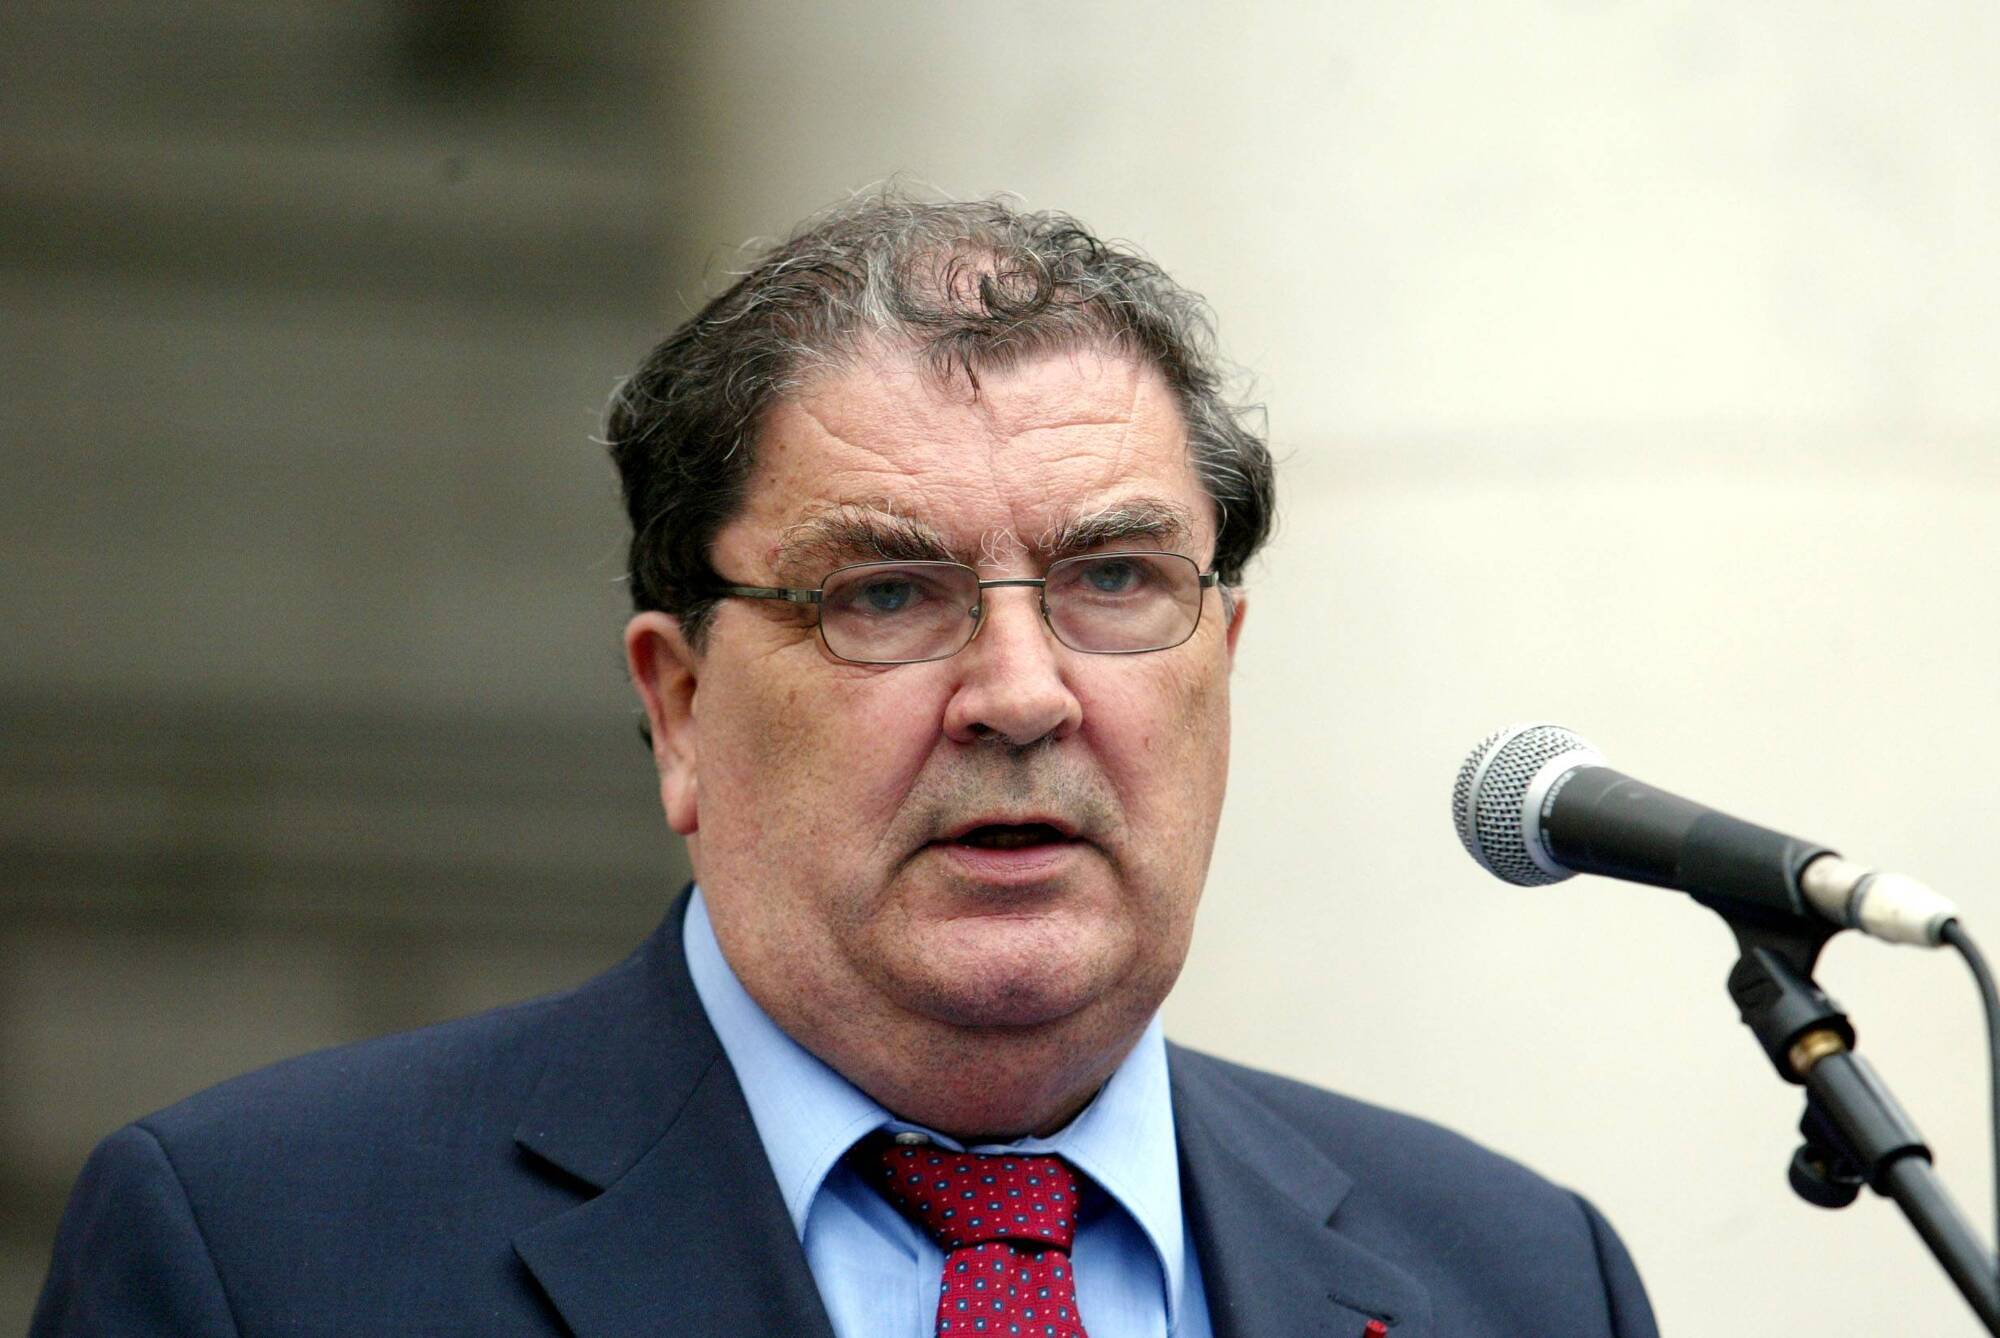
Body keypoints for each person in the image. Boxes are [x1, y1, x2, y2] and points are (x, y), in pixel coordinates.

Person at [33, 194, 1657, 1337]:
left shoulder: (1520, 1281)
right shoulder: (263, 1254)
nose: (1021, 693)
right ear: (680, 708)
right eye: (886, 593)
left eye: (1114, 579)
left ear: (1221, 662)